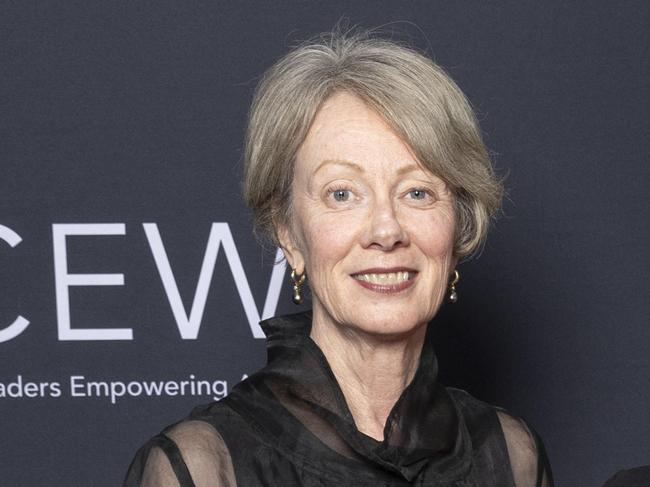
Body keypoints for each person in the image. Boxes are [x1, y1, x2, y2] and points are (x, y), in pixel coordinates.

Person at [124, 29, 554, 487]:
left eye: (418, 191)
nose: (386, 230)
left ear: (459, 224)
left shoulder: (510, 454)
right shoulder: (204, 466)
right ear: (288, 232)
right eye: (343, 193)